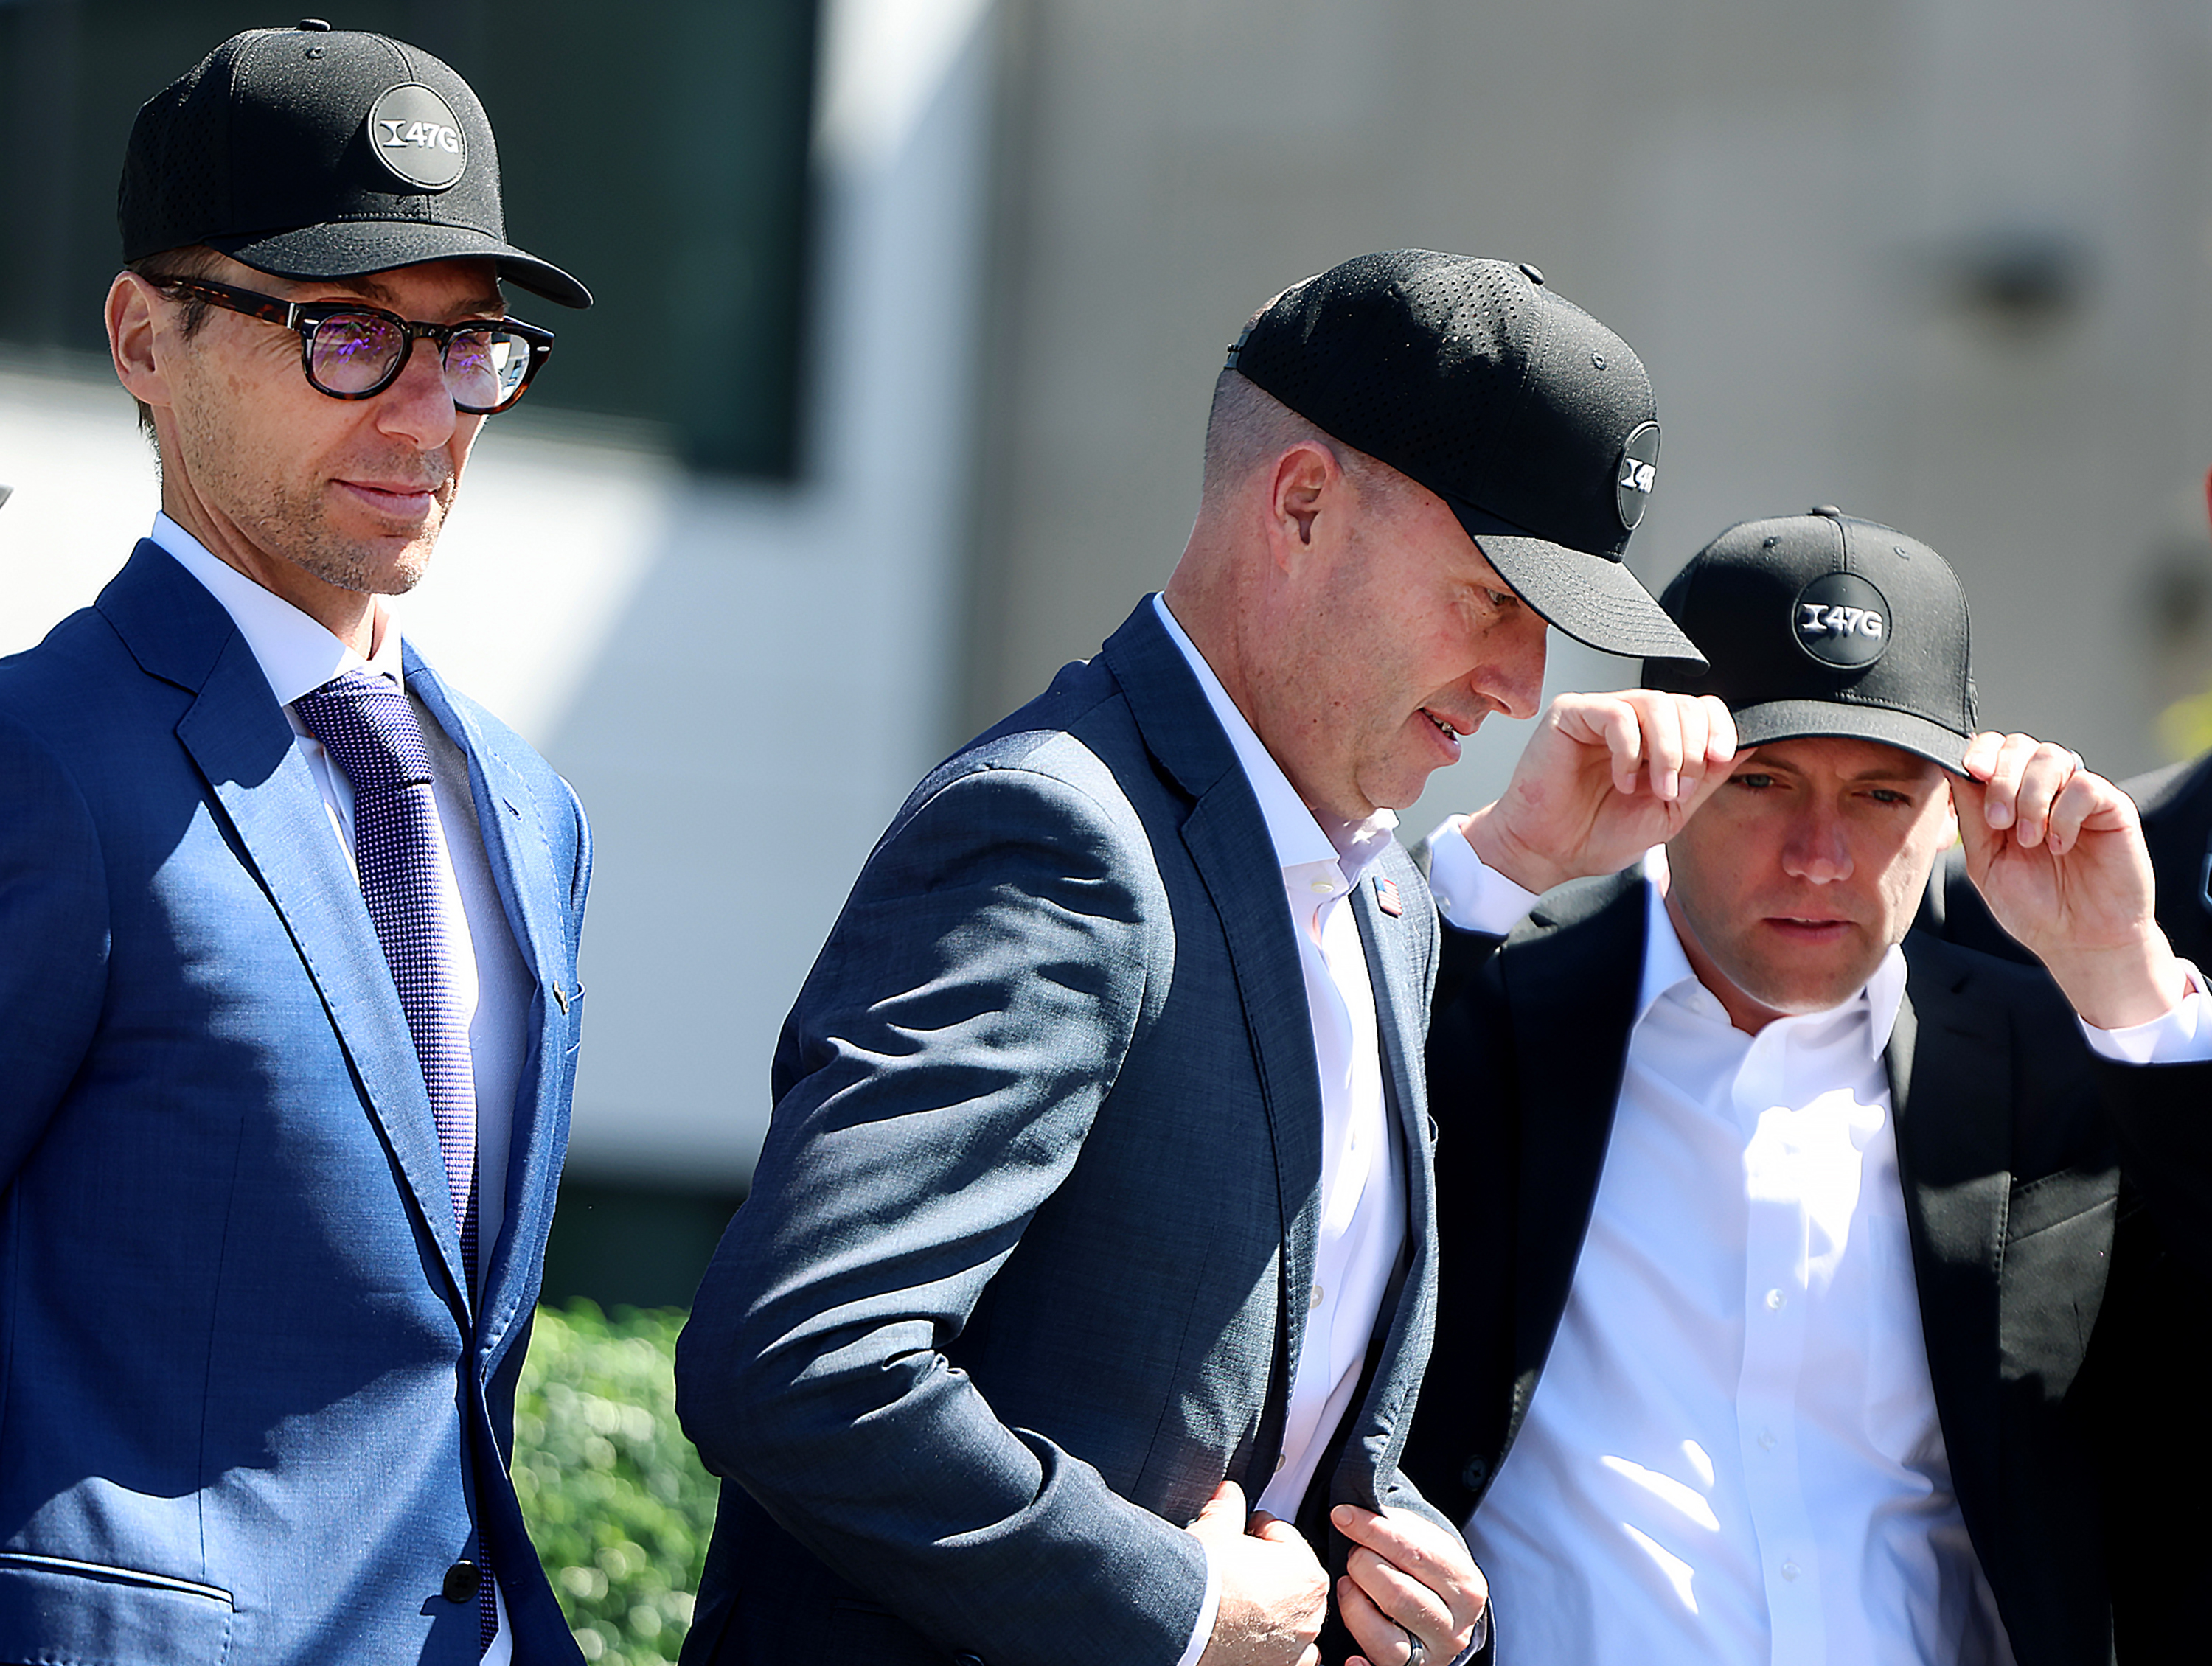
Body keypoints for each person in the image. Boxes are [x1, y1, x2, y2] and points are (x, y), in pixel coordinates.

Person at [673, 249, 1707, 1666]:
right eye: (1493, 600)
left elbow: (1264, 1422)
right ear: (1299, 506)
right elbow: (794, 1367)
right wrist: (1177, 1604)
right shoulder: (1057, 835)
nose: (1527, 688)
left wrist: (1393, 1576)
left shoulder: (1383, 906)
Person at [0, 23, 593, 1664]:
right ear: (144, 334)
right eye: (345, 331)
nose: (430, 410)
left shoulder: (532, 813)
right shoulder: (40, 758)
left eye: (469, 344)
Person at [1399, 506, 2212, 1666]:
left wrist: (2127, 981)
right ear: (1663, 770)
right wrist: (1504, 860)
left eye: (1882, 795)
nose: (1819, 859)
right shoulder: (1495, 1004)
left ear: (1955, 807)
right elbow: (1285, 1112)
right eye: (1763, 782)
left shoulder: (2058, 1053)